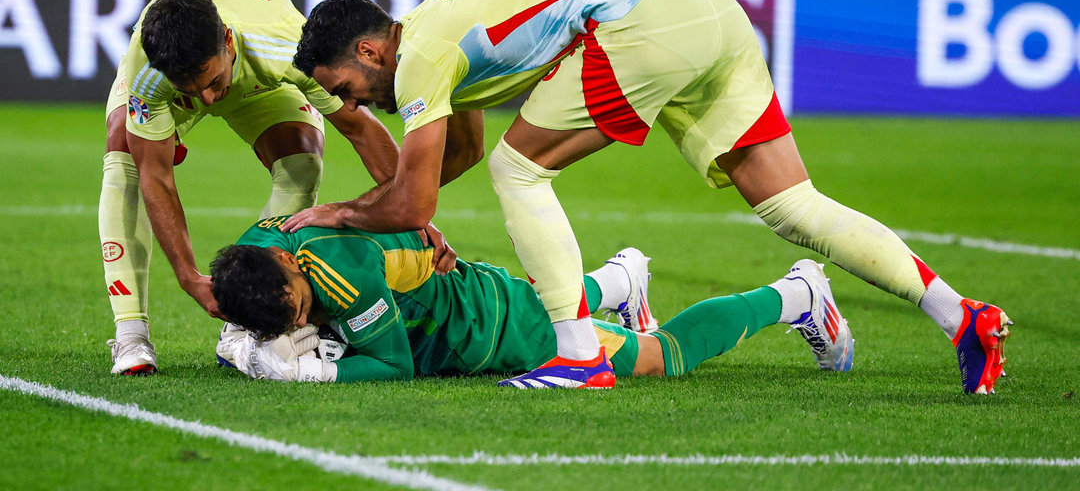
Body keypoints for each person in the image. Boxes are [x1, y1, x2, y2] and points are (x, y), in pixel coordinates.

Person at [284, 0, 1011, 394]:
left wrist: (338, 213)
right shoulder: (437, 40)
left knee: (521, 170)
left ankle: (577, 356)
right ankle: (961, 316)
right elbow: (453, 163)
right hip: (708, 11)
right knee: (792, 206)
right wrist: (397, 207)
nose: (351, 104)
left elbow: (416, 199)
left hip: (645, 22)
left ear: (371, 54)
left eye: (344, 86)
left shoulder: (419, 58)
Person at [99, 0, 452, 376]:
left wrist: (413, 212)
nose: (209, 100)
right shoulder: (150, 71)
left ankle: (247, 317)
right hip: (181, 79)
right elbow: (158, 178)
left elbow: (360, 129)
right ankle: (131, 333)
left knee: (302, 160)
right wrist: (188, 276)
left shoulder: (285, 50)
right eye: (192, 90)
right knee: (126, 161)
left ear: (228, 43)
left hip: (258, 79)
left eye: (213, 82)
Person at [210, 218, 854, 385]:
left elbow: (395, 363)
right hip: (466, 295)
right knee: (558, 302)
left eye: (298, 305)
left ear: (292, 266)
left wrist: (318, 366)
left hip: (495, 329)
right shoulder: (258, 253)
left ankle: (796, 294)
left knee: (663, 358)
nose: (299, 318)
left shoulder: (341, 276)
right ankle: (624, 280)